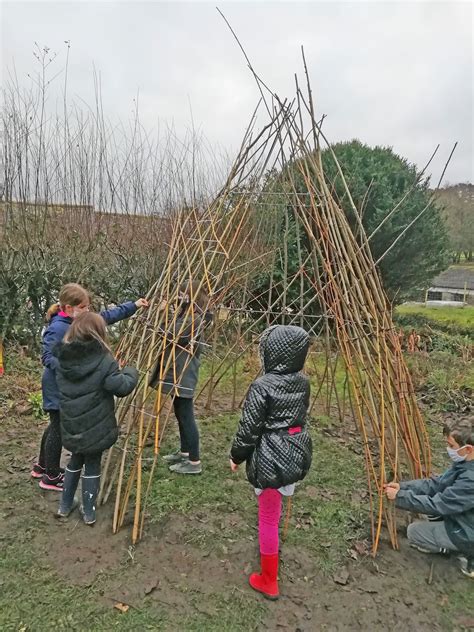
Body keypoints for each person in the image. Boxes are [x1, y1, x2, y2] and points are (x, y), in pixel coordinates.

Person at [31, 282, 148, 490]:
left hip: (65, 384)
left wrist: (134, 305)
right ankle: (50, 476)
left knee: (54, 425)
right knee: (58, 427)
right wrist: (72, 367)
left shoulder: (80, 322)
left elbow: (106, 318)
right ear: (69, 308)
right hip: (59, 386)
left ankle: (42, 466)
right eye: (84, 307)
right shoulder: (58, 327)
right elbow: (47, 357)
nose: (88, 311)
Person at [229, 324, 313, 600]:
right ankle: (271, 561)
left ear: (271, 352)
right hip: (295, 451)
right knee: (276, 508)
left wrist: (236, 456)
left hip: (270, 458)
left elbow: (249, 428)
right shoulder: (302, 381)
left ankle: (268, 580)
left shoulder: (262, 386)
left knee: (267, 518)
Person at [55, 312, 138, 524]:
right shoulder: (104, 360)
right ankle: (89, 511)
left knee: (75, 458)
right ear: (99, 334)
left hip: (72, 424)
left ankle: (65, 505)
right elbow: (120, 387)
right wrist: (130, 372)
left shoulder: (63, 360)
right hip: (96, 426)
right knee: (92, 463)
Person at [384, 416, 474, 579]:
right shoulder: (466, 463)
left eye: (451, 445)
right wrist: (404, 487)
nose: (448, 449)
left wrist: (400, 497)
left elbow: (440, 504)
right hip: (464, 516)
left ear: (468, 449)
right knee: (428, 512)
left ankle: (462, 551)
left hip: (469, 533)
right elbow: (437, 484)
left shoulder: (470, 479)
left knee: (414, 533)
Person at [149, 281, 212, 475]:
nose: (178, 297)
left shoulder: (195, 318)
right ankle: (185, 452)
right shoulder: (186, 315)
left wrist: (162, 312)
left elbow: (170, 333)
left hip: (183, 373)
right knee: (180, 413)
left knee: (186, 416)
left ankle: (194, 462)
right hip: (178, 371)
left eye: (182, 294)